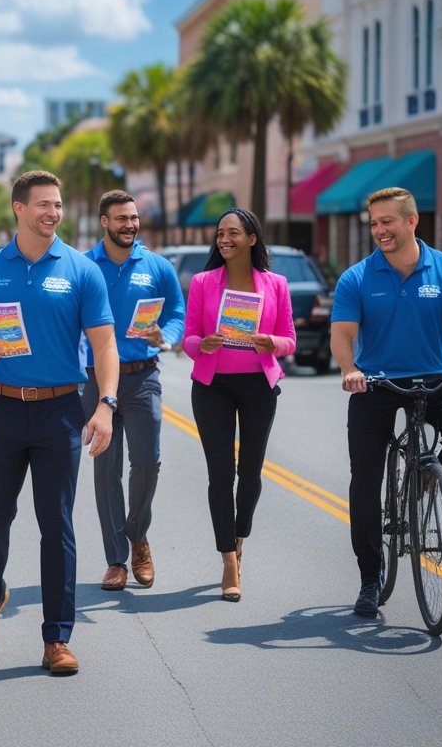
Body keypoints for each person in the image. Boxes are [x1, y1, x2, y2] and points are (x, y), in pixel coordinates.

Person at [0, 170, 117, 674]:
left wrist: (105, 404)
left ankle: (56, 638)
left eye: (58, 205)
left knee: (57, 525)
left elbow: (104, 344)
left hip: (59, 411)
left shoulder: (82, 270)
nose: (53, 213)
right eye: (43, 204)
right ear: (18, 209)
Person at [330, 187, 442, 619]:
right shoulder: (357, 278)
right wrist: (350, 369)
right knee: (364, 481)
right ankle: (370, 577)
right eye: (374, 224)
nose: (379, 230)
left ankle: (427, 482)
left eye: (387, 222)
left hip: (433, 375)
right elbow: (342, 336)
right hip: (375, 382)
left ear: (411, 221)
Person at [183, 208, 295, 603]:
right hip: (212, 386)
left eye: (233, 233)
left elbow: (289, 339)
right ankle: (228, 559)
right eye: (219, 234)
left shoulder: (276, 284)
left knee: (250, 473)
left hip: (258, 386)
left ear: (251, 238)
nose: (224, 239)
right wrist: (204, 344)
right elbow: (188, 338)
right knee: (220, 474)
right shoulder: (202, 282)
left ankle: (239, 536)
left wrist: (272, 342)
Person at [81, 190, 185, 592]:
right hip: (94, 378)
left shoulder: (158, 267)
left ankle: (137, 535)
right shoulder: (85, 266)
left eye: (134, 217)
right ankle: (115, 560)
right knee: (106, 469)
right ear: (104, 222)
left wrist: (166, 336)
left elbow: (177, 312)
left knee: (148, 462)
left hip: (143, 376)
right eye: (121, 218)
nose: (130, 224)